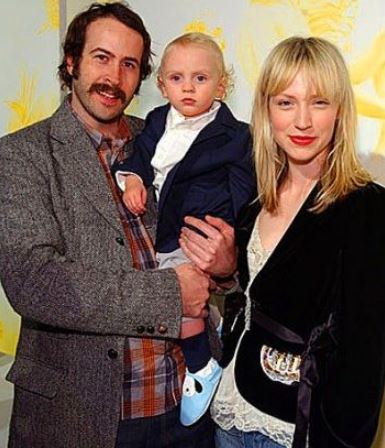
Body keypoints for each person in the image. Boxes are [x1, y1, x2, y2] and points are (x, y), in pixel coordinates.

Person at [0, 3, 218, 448]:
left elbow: (205, 245)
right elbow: (35, 281)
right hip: (83, 416)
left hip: (188, 405)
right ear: (71, 61)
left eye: (129, 64)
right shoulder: (21, 155)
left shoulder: (167, 141)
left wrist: (225, 261)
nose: (114, 77)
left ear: (142, 77)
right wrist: (170, 292)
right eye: (101, 57)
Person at [179, 36, 385, 447]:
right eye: (286, 102)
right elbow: (263, 296)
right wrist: (226, 272)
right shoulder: (254, 199)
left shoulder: (368, 208)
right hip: (228, 413)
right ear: (267, 111)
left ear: (340, 110)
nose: (302, 121)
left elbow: (366, 355)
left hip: (295, 430)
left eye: (319, 102)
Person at [114, 32, 255, 427]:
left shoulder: (237, 135)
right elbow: (140, 158)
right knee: (180, 296)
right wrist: (133, 180)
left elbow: (247, 191)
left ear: (221, 84)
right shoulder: (157, 121)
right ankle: (224, 331)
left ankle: (200, 367)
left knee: (181, 296)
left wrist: (230, 235)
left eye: (200, 78)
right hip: (166, 230)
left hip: (202, 229)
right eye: (177, 79)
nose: (188, 87)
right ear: (161, 85)